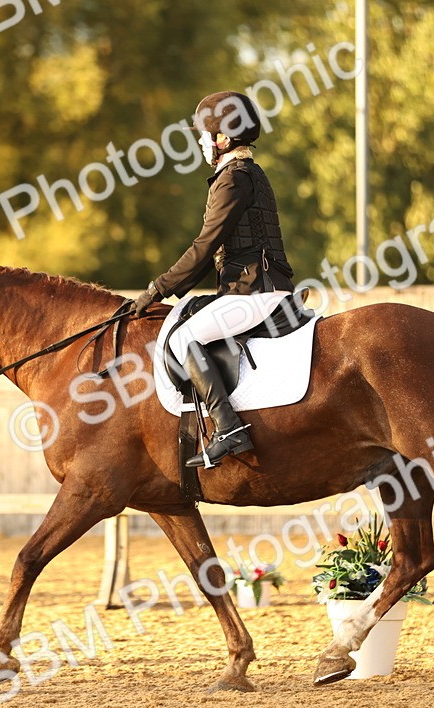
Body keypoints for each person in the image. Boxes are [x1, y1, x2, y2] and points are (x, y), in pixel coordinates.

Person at [132, 91, 296, 468]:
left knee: (184, 338)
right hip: (257, 286)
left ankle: (228, 427)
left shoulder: (233, 180)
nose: (201, 141)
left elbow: (204, 247)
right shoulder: (245, 173)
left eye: (204, 134)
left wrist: (157, 289)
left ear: (223, 138)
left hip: (257, 290)